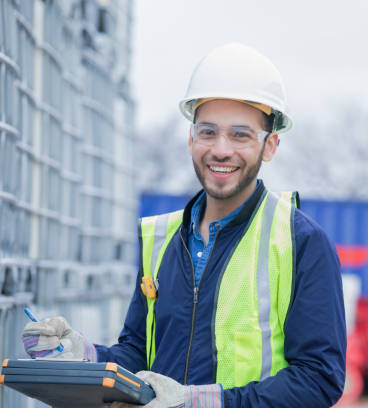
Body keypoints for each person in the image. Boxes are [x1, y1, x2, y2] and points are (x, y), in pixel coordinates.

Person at [21, 43, 347, 407]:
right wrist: (83, 359)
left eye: (240, 135)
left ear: (269, 145)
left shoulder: (299, 242)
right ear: (191, 139)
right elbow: (141, 357)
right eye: (208, 132)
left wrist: (204, 401)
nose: (221, 149)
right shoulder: (160, 239)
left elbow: (319, 379)